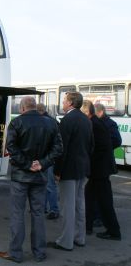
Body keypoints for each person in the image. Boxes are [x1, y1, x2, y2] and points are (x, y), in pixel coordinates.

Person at [0, 96, 63, 263]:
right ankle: (40, 252)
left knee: (17, 214)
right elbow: (58, 149)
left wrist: (27, 164)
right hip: (40, 176)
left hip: (21, 176)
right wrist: (41, 164)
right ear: (35, 107)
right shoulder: (51, 123)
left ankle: (15, 253)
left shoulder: (17, 123)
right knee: (38, 214)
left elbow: (11, 147)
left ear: (22, 108)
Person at [49, 92, 94, 251]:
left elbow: (62, 149)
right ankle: (79, 237)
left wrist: (57, 170)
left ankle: (65, 242)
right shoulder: (85, 119)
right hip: (82, 168)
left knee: (67, 206)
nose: (62, 102)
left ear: (70, 103)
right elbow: (91, 146)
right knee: (79, 204)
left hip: (69, 169)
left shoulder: (68, 120)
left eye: (64, 100)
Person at [82, 100, 121, 240]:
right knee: (91, 196)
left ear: (87, 112)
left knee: (104, 201)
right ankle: (89, 226)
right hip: (100, 170)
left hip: (100, 170)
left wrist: (88, 159)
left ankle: (113, 231)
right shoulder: (97, 123)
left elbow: (100, 147)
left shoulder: (94, 124)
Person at [37, 103, 60, 220]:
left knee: (48, 185)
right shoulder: (53, 121)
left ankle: (53, 209)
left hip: (45, 158)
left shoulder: (43, 122)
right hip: (50, 157)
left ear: (38, 111)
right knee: (48, 184)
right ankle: (46, 208)